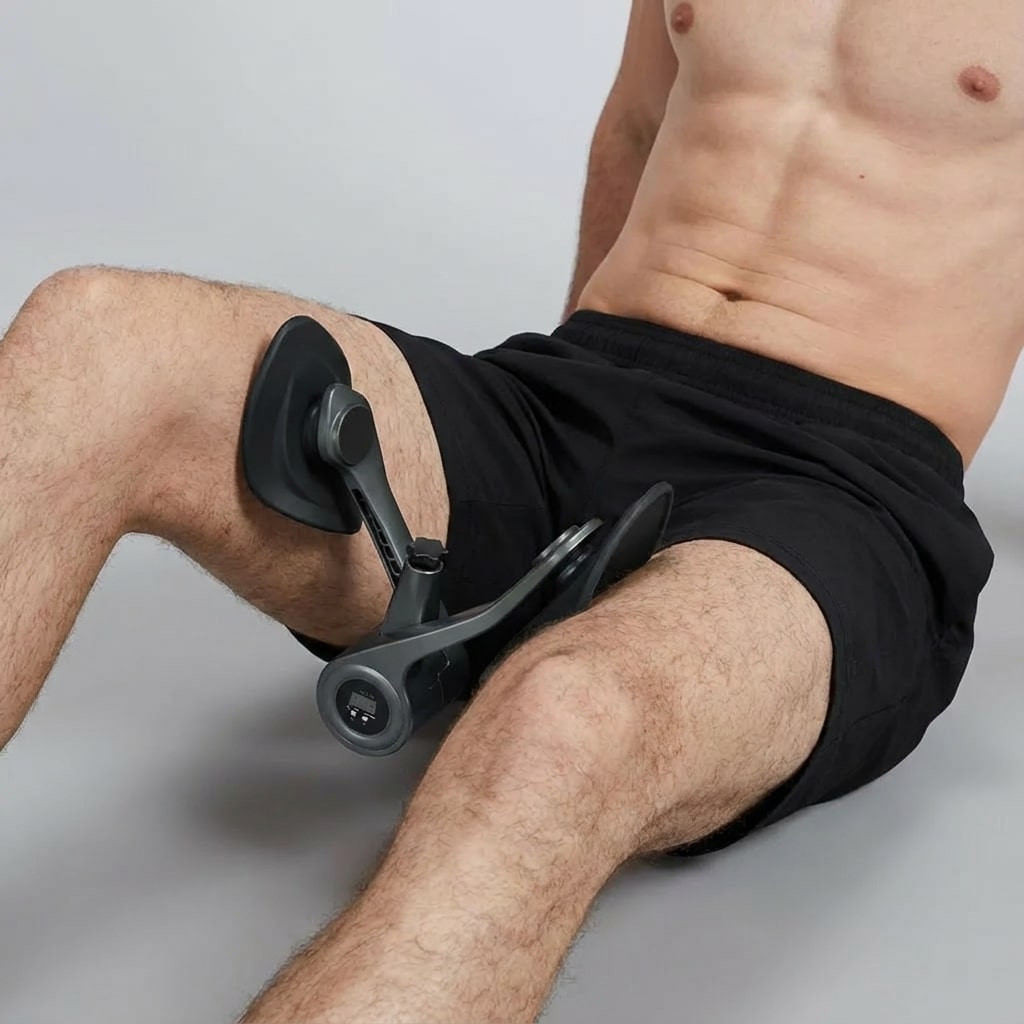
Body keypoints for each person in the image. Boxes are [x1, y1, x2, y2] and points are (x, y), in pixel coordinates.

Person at [0, 0, 1011, 1020]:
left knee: (564, 722)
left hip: (842, 489)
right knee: (94, 340)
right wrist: (551, 464)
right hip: (575, 394)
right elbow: (636, 127)